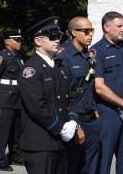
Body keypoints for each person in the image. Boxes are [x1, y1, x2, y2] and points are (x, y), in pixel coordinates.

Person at [18, 16, 78, 174]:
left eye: (58, 36)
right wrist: (60, 127)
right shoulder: (30, 69)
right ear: (38, 41)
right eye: (52, 37)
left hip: (61, 142)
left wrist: (73, 120)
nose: (57, 40)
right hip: (40, 144)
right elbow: (37, 107)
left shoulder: (60, 66)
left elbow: (70, 98)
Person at [90, 11, 123, 174]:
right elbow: (99, 87)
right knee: (103, 160)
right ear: (106, 27)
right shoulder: (97, 51)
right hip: (108, 112)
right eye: (119, 26)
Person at [57, 17, 101, 174]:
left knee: (90, 168)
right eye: (86, 31)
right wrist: (75, 125)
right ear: (74, 32)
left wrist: (95, 111)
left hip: (91, 119)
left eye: (92, 31)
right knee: (71, 167)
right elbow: (62, 95)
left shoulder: (87, 56)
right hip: (75, 121)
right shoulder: (63, 56)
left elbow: (88, 87)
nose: (91, 35)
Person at [0, 29, 24, 171]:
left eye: (20, 39)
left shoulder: (18, 56)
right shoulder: (1, 57)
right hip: (4, 98)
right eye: (16, 39)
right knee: (2, 131)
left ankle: (15, 155)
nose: (19, 42)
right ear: (7, 41)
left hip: (17, 97)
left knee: (16, 131)